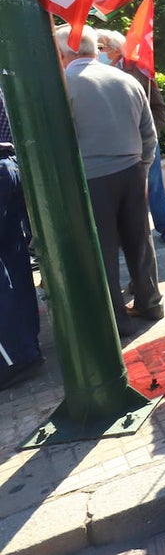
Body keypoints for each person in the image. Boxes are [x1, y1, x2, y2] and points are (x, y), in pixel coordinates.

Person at [56, 24, 162, 335]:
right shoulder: (126, 80)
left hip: (92, 177)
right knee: (140, 241)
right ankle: (150, 300)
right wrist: (141, 167)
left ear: (63, 53)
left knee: (102, 251)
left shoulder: (65, 85)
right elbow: (149, 133)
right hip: (131, 171)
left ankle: (116, 319)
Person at [95, 29, 165, 244]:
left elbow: (159, 107)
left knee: (154, 184)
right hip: (117, 142)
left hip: (144, 138)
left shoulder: (138, 70)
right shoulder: (102, 72)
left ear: (114, 48)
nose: (98, 51)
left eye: (101, 47)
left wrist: (151, 131)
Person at [0, 92, 42, 391]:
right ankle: (27, 342)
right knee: (14, 260)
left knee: (8, 267)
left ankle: (17, 355)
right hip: (9, 165)